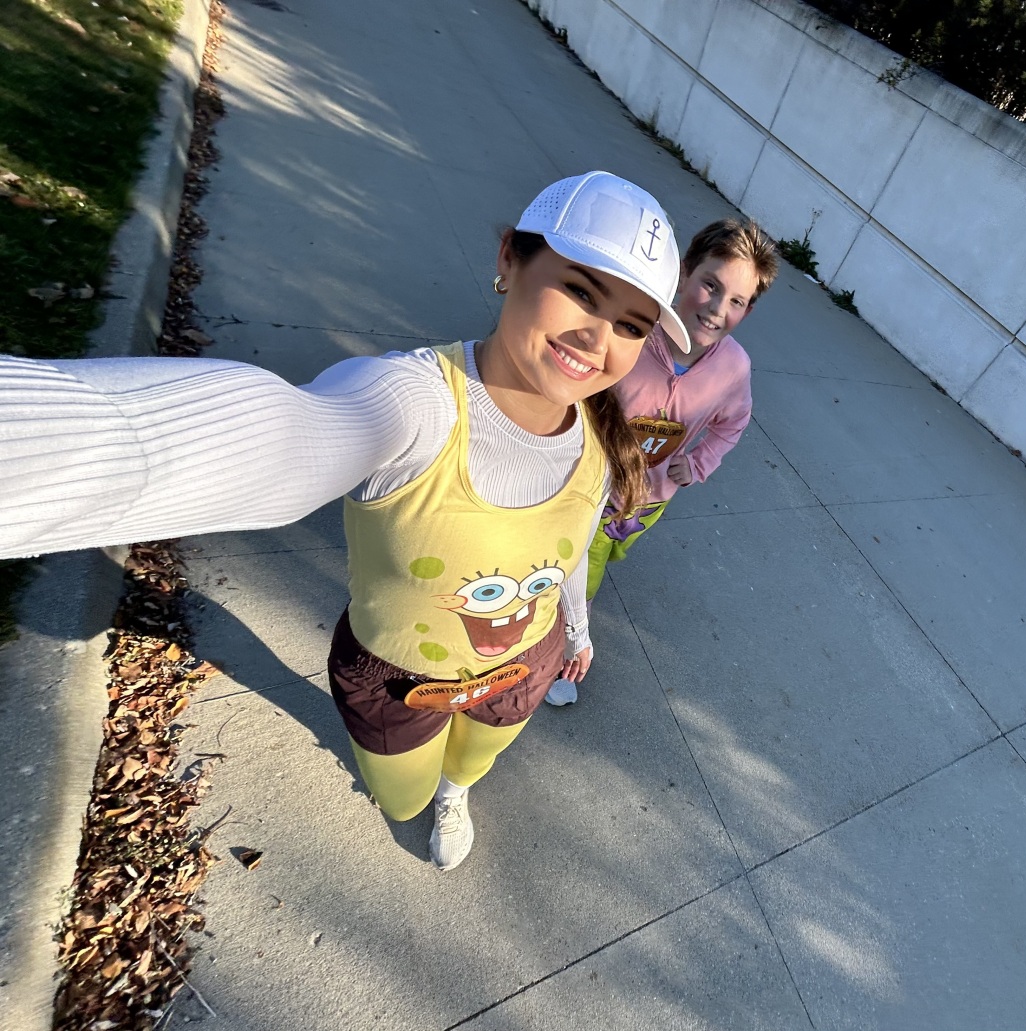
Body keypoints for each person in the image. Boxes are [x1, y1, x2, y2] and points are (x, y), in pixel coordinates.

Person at [0, 170, 690, 871]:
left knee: (471, 763)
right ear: (509, 258)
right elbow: (289, 433)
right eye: (580, 290)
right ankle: (430, 791)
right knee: (401, 796)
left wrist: (575, 627)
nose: (598, 337)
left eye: (632, 325)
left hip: (525, 664)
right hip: (398, 679)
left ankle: (459, 790)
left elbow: (567, 551)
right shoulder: (417, 403)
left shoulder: (603, 438)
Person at [544, 217, 779, 706]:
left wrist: (697, 465)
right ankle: (563, 654)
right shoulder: (632, 331)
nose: (716, 309)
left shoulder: (733, 368)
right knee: (575, 577)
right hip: (589, 497)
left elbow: (731, 424)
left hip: (649, 502)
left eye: (736, 301)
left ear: (749, 310)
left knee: (605, 560)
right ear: (684, 272)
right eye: (710, 286)